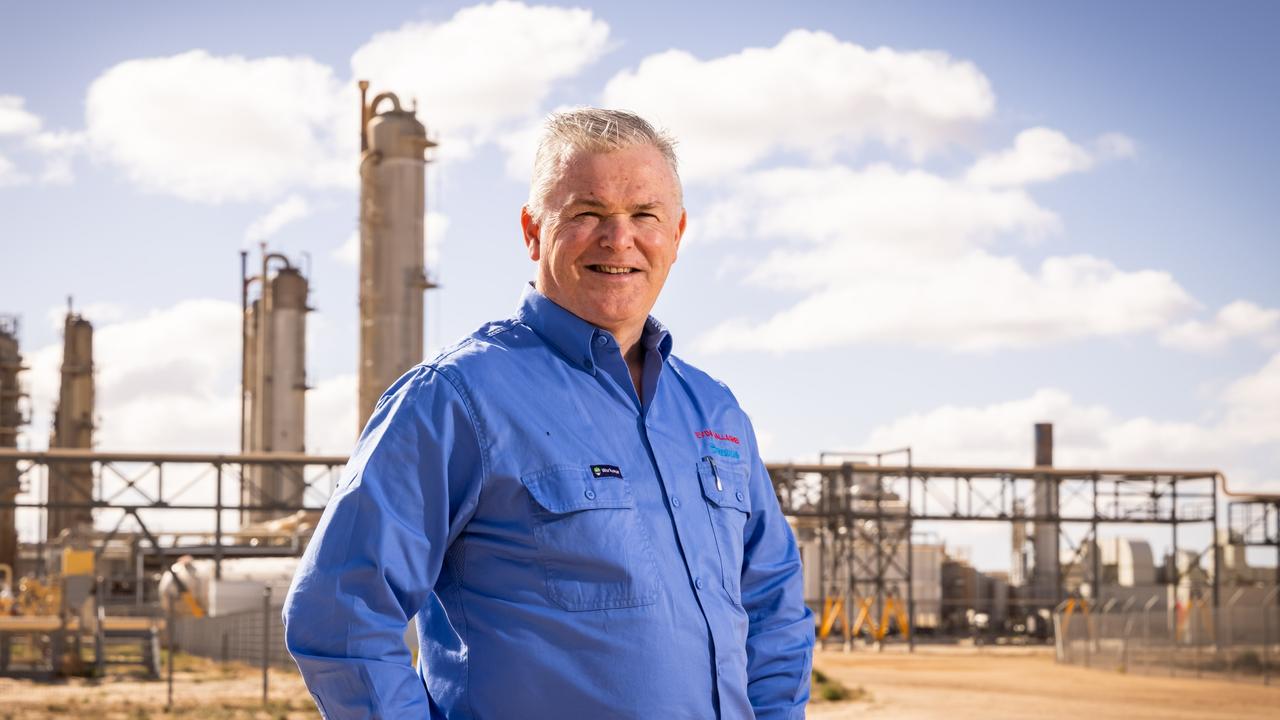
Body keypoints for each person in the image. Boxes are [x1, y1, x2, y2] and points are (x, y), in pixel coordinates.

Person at [283, 108, 814, 719]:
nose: (619, 240)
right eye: (587, 213)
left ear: (677, 233)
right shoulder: (455, 399)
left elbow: (774, 609)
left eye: (645, 215)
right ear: (533, 231)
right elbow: (341, 614)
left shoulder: (714, 410)